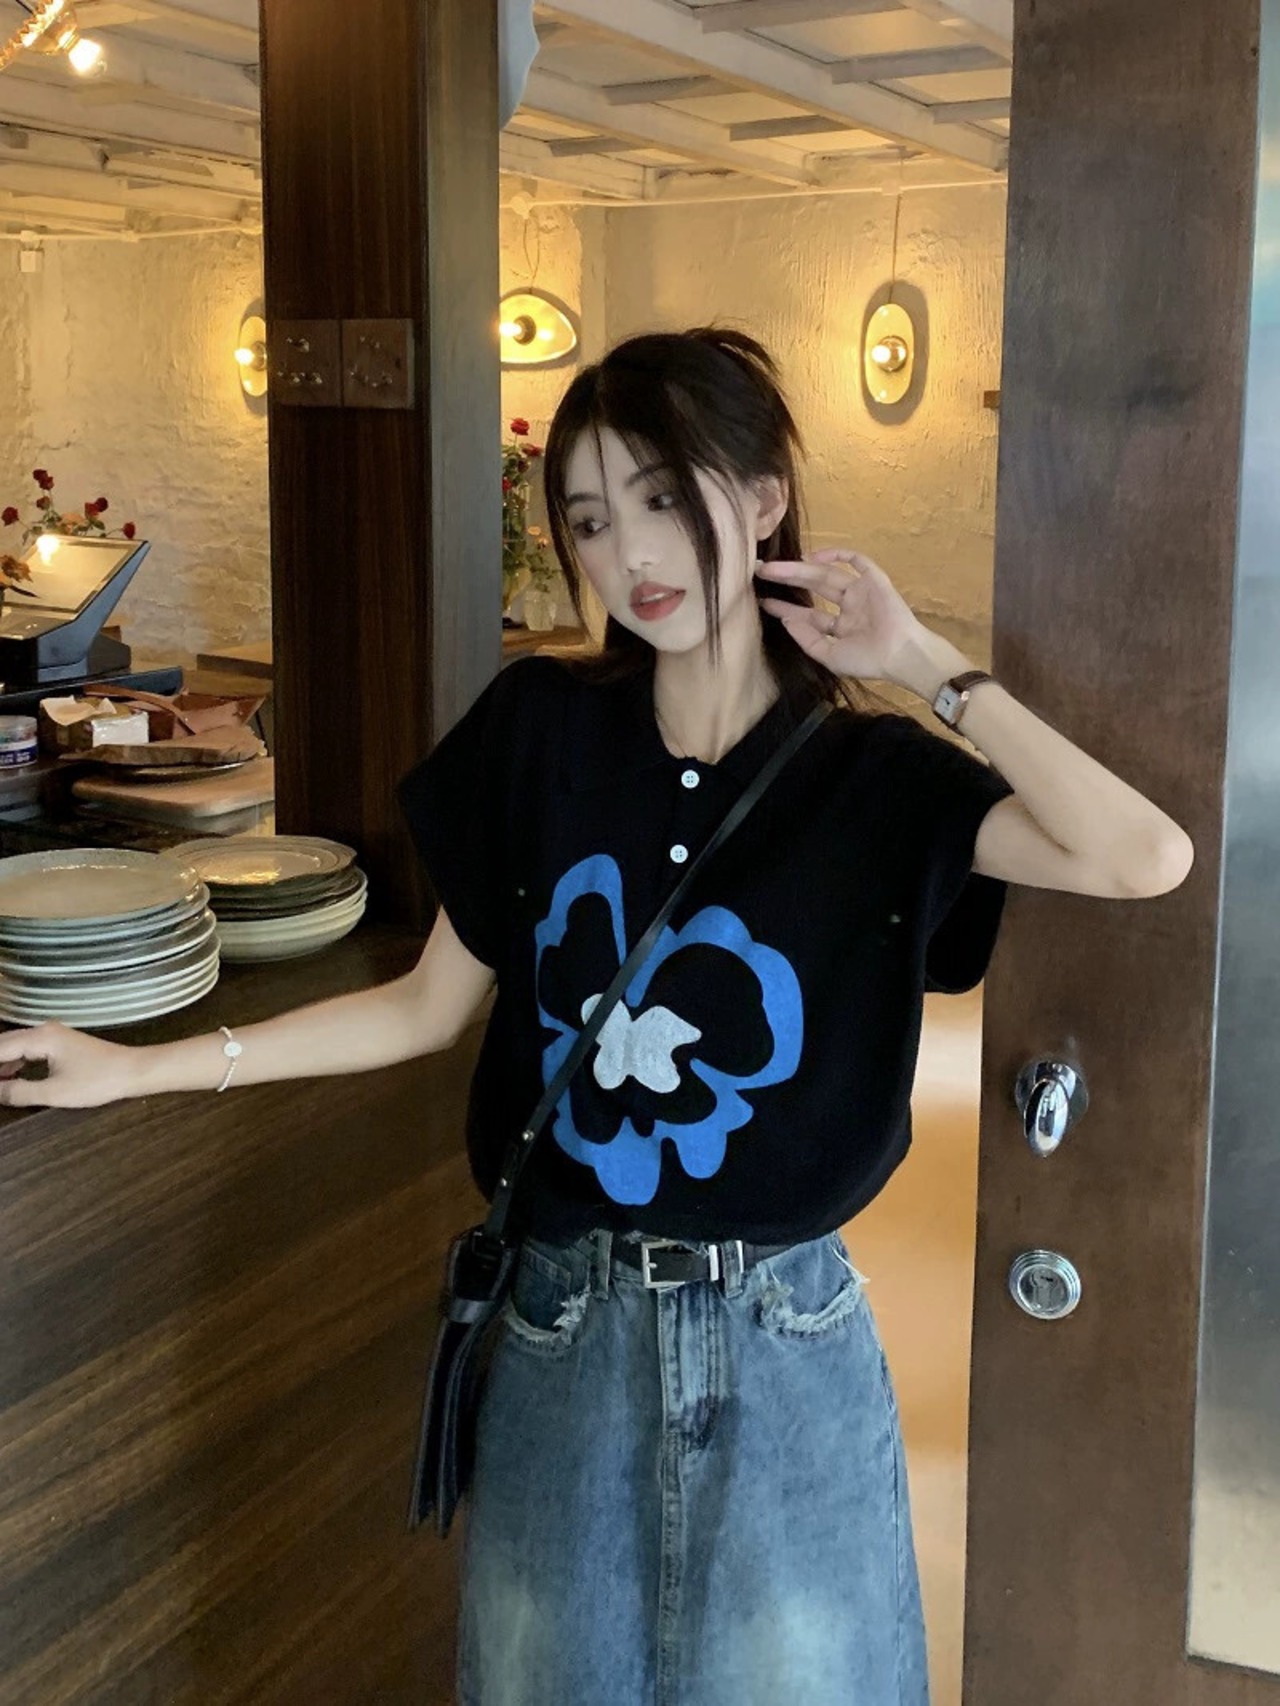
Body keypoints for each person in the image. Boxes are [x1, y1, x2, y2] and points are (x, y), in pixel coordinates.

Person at [0, 328, 1192, 1705]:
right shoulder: (542, 732)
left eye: (664, 496)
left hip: (785, 1340)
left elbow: (1142, 856)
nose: (630, 552)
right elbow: (423, 1009)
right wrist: (135, 1068)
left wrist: (924, 658)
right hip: (564, 1330)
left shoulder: (878, 781)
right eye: (589, 517)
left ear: (763, 496)